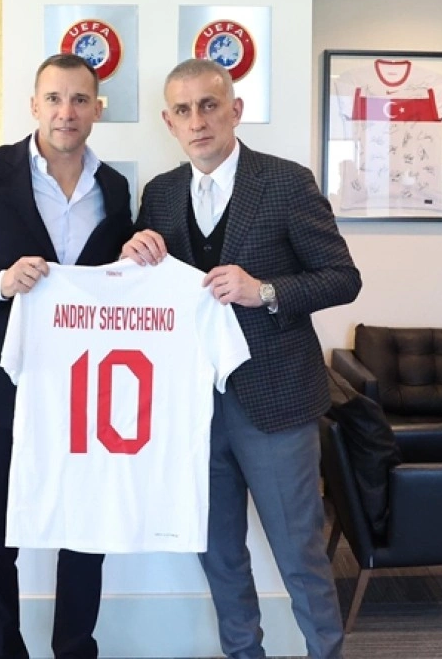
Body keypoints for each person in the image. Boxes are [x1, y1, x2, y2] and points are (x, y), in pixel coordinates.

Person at [122, 58, 361, 659]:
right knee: (219, 553)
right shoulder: (161, 193)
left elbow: (343, 277)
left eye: (209, 105)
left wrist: (266, 291)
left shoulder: (286, 182)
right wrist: (133, 254)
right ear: (168, 122)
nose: (197, 121)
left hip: (276, 402)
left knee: (299, 552)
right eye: (183, 110)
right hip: (191, 408)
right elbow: (149, 293)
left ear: (235, 110)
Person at [0, 53, 133, 659]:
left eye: (80, 100)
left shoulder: (115, 188)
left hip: (87, 388)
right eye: (55, 99)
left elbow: (116, 282)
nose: (67, 112)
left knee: (84, 533)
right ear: (34, 106)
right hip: (2, 383)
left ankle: (75, 649)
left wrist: (139, 251)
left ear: (96, 109)